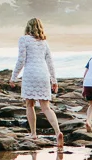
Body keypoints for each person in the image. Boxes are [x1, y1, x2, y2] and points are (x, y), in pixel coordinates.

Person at [13, 17, 62, 146]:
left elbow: (21, 60)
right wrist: (54, 80)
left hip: (30, 74)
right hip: (43, 74)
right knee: (46, 107)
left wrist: (14, 77)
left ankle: (33, 133)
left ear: (28, 27)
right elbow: (50, 62)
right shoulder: (44, 42)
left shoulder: (23, 39)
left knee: (30, 105)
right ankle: (57, 132)